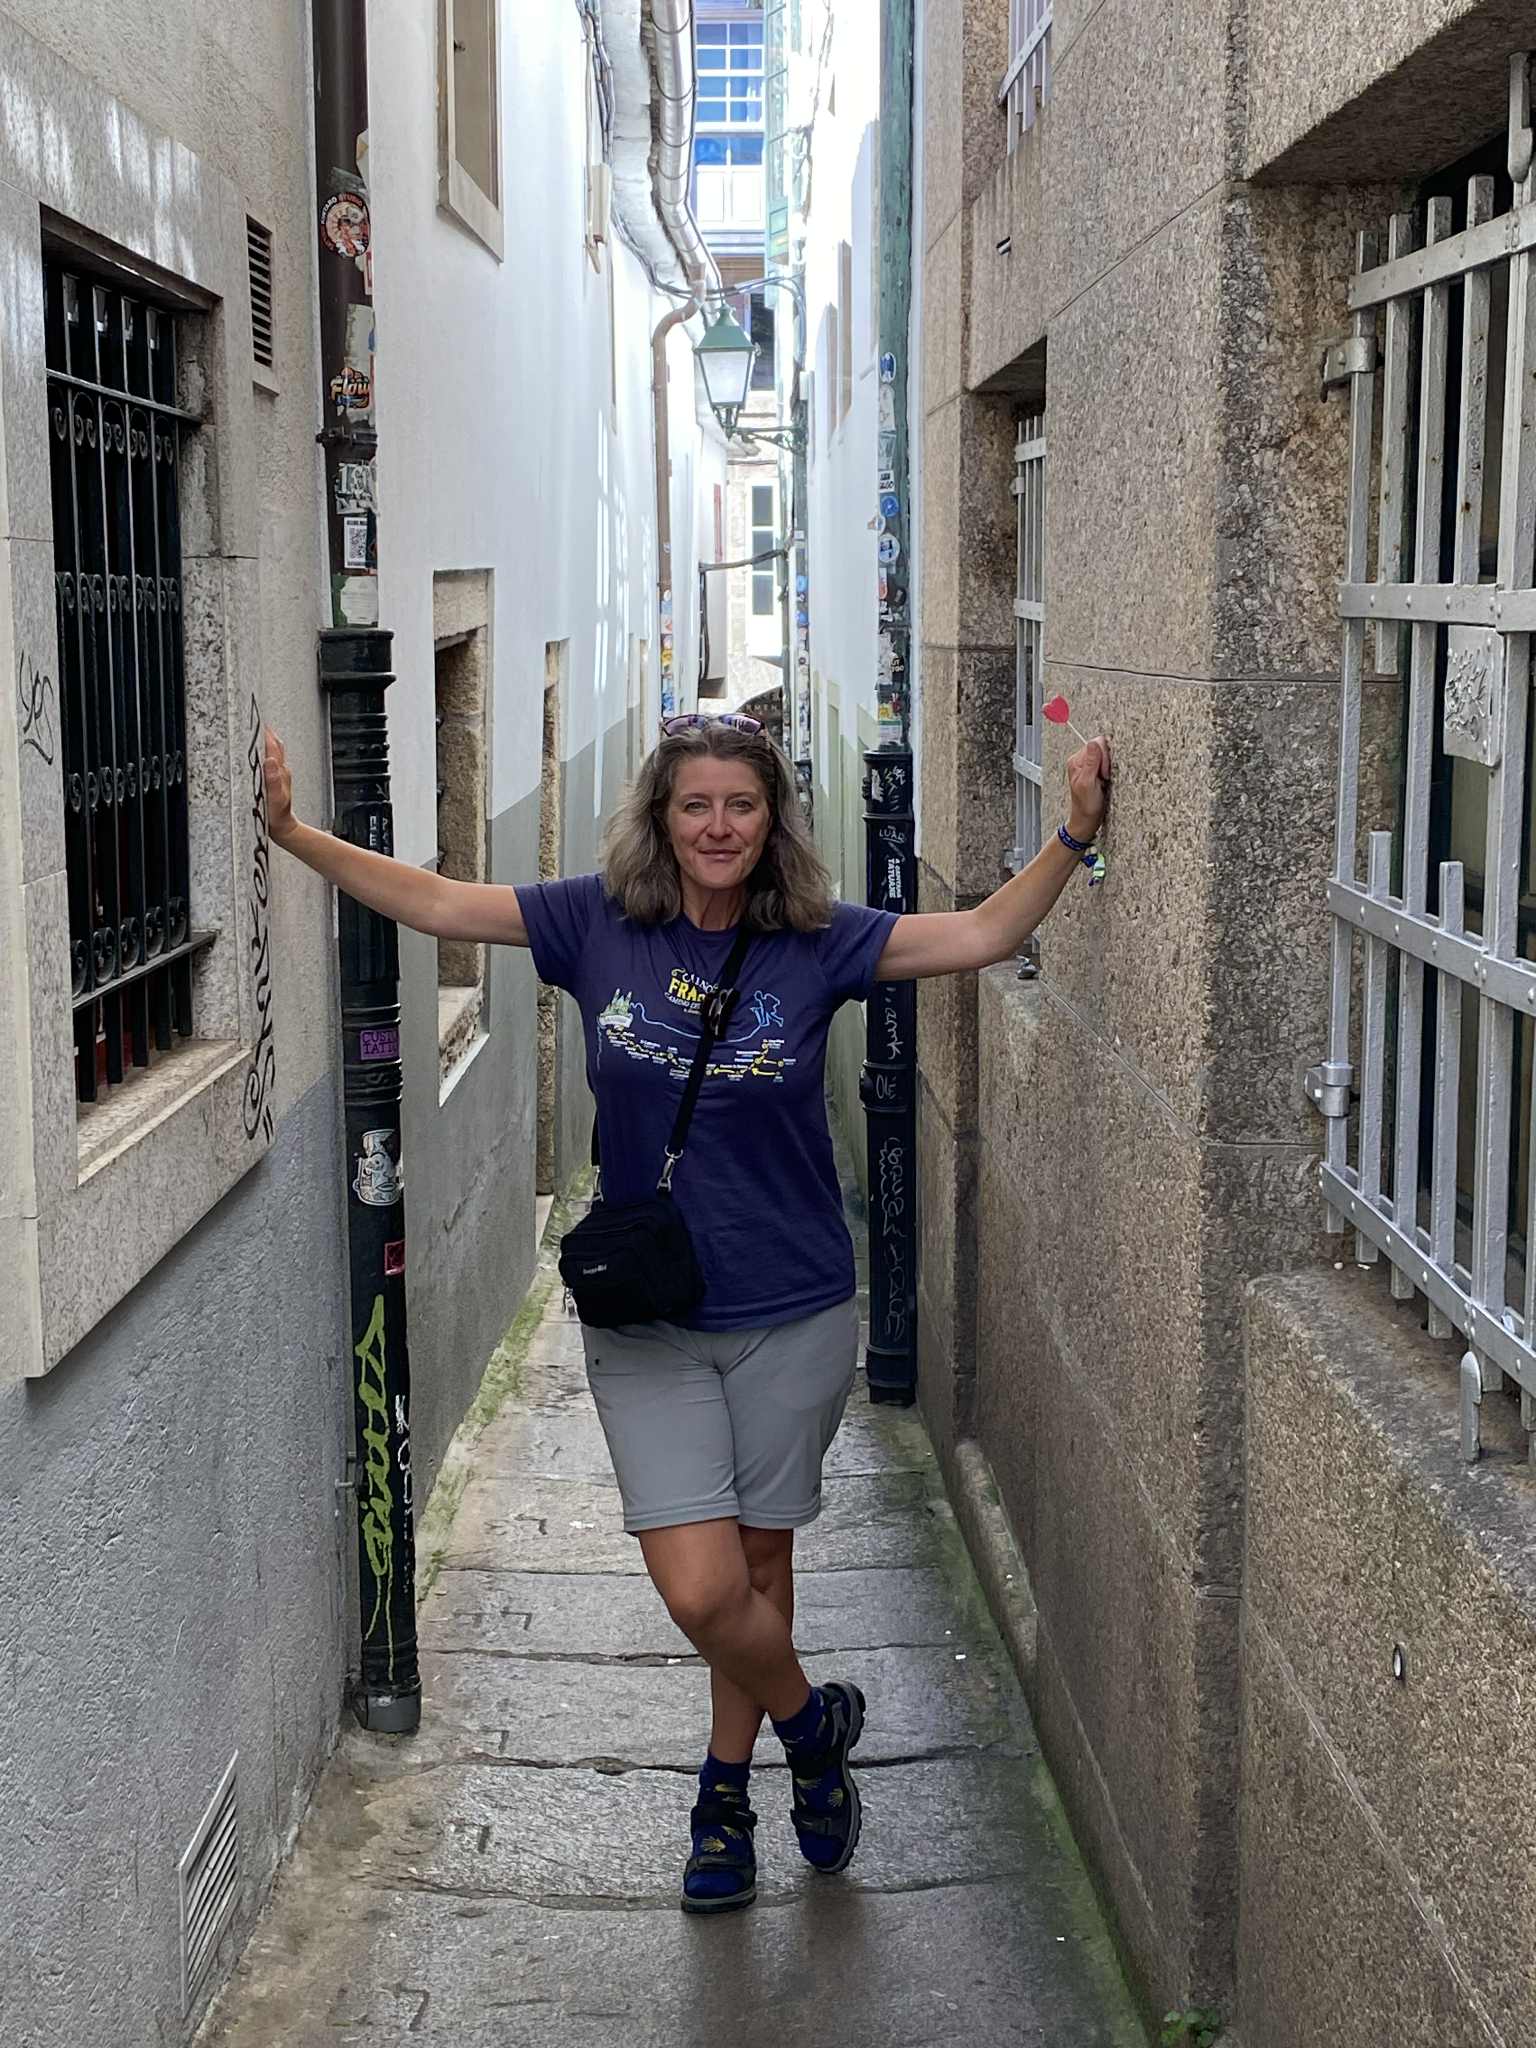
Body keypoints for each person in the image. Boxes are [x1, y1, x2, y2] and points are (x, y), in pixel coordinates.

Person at [263, 708, 1110, 1914]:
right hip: (648, 1316)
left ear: (772, 820)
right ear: (661, 817)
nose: (719, 826)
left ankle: (725, 1800)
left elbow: (980, 932)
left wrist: (1073, 834)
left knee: (760, 1566)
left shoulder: (820, 939)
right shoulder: (596, 921)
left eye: (741, 805)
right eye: (696, 804)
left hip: (792, 1307)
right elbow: (442, 903)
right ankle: (811, 1729)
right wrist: (299, 835)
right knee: (703, 1589)